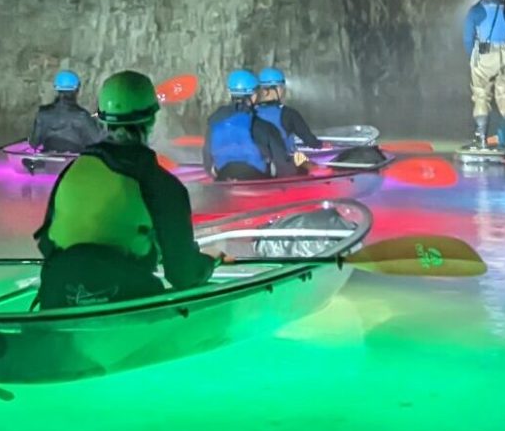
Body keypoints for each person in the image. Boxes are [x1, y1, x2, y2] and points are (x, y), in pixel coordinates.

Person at [31, 70, 217, 308]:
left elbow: (47, 243)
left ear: (103, 119)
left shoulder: (72, 171)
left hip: (58, 293)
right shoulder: (161, 185)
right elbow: (182, 275)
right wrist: (209, 262)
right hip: (125, 300)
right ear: (151, 119)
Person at [205, 70, 304, 180]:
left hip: (223, 180)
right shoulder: (264, 127)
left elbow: (207, 163)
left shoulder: (214, 123)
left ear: (230, 93)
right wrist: (301, 169)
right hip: (256, 182)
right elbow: (285, 169)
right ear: (254, 96)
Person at [27, 70, 107, 155]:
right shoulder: (82, 116)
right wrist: (99, 123)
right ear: (77, 90)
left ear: (56, 88)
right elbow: (97, 140)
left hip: (49, 162)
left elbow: (33, 143)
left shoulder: (42, 113)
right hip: (74, 164)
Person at [253, 68, 324, 152]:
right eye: (282, 87)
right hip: (283, 161)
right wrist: (321, 145)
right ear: (278, 89)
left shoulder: (249, 113)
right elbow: (311, 142)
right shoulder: (289, 114)